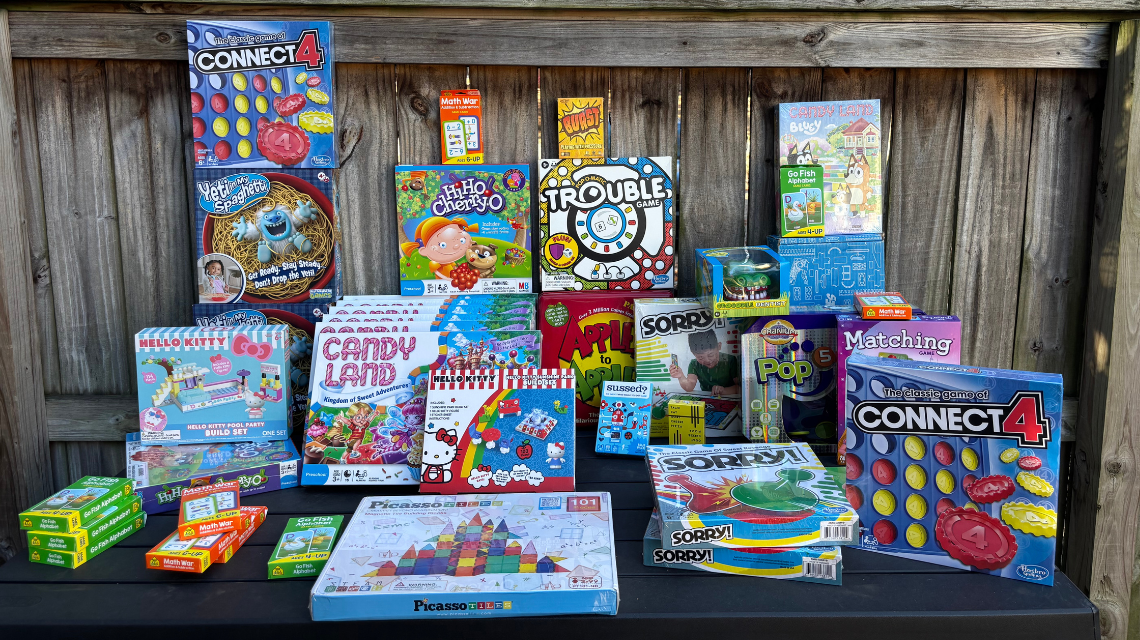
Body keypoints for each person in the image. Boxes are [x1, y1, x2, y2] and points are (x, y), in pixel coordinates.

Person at [400, 217, 480, 280]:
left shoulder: (451, 262)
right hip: (443, 286)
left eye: (462, 240)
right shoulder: (436, 265)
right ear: (424, 250)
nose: (456, 246)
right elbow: (442, 275)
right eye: (443, 245)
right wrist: (454, 280)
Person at [670, 329, 741, 396]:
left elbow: (740, 387)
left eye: (711, 355)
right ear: (693, 353)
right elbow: (689, 387)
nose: (707, 360)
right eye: (700, 357)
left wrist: (724, 390)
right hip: (707, 400)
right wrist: (680, 376)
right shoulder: (694, 364)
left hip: (729, 398)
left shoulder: (730, 360)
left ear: (719, 346)